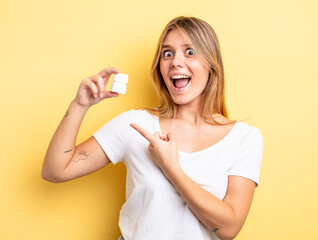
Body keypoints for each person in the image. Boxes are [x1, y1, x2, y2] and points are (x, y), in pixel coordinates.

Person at [42, 16, 263, 240]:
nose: (175, 61)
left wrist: (171, 169)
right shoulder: (134, 126)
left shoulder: (244, 138)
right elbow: (55, 171)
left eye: (189, 52)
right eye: (168, 53)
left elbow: (229, 229)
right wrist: (80, 105)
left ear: (211, 64)